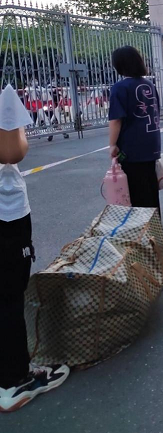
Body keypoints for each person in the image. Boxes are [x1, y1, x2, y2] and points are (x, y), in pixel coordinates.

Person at [0, 85, 69, 413]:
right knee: (8, 295)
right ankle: (14, 381)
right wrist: (19, 130)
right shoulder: (4, 96)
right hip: (4, 215)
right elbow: (10, 153)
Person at [108, 46, 162, 210]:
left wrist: (112, 144)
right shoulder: (149, 84)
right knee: (150, 187)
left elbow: (116, 119)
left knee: (137, 192)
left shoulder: (120, 88)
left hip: (131, 146)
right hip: (151, 143)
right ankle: (154, 221)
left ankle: (144, 224)